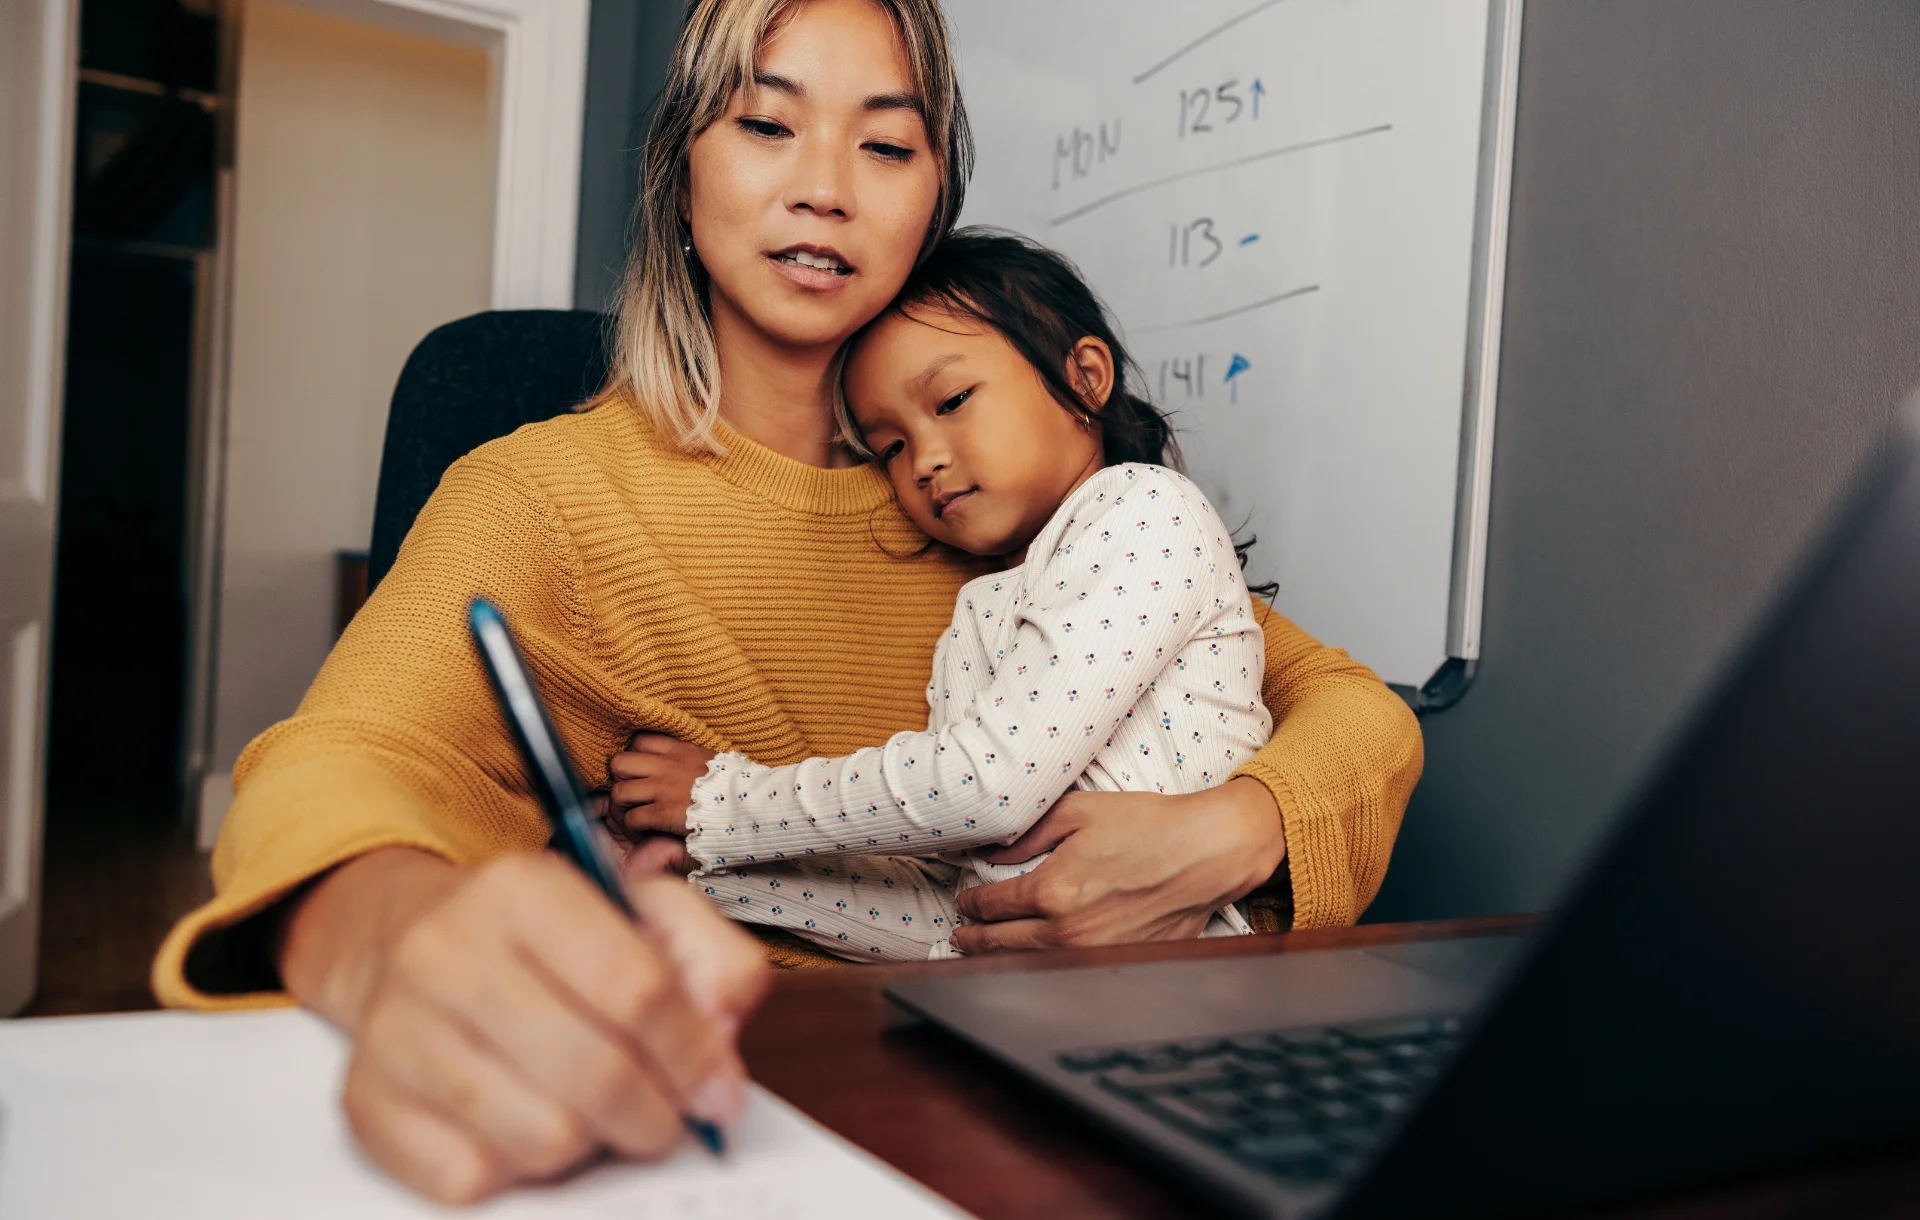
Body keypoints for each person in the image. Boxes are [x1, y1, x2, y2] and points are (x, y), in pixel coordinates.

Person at [152, 0, 1422, 1204]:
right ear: (682, 168)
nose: (825, 184)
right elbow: (343, 759)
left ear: (935, 199)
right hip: (718, 1122)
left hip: (1076, 1095)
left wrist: (1232, 830)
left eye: (886, 142)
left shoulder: (1009, 501)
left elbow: (1348, 706)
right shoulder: (542, 494)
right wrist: (390, 937)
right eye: (766, 124)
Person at [610, 229, 1275, 960]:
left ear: (1085, 378)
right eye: (889, 446)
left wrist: (719, 806)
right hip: (1027, 1013)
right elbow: (965, 917)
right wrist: (707, 877)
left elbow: (988, 784)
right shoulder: (978, 610)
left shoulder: (1146, 510)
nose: (923, 459)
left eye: (952, 400)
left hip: (1179, 995)